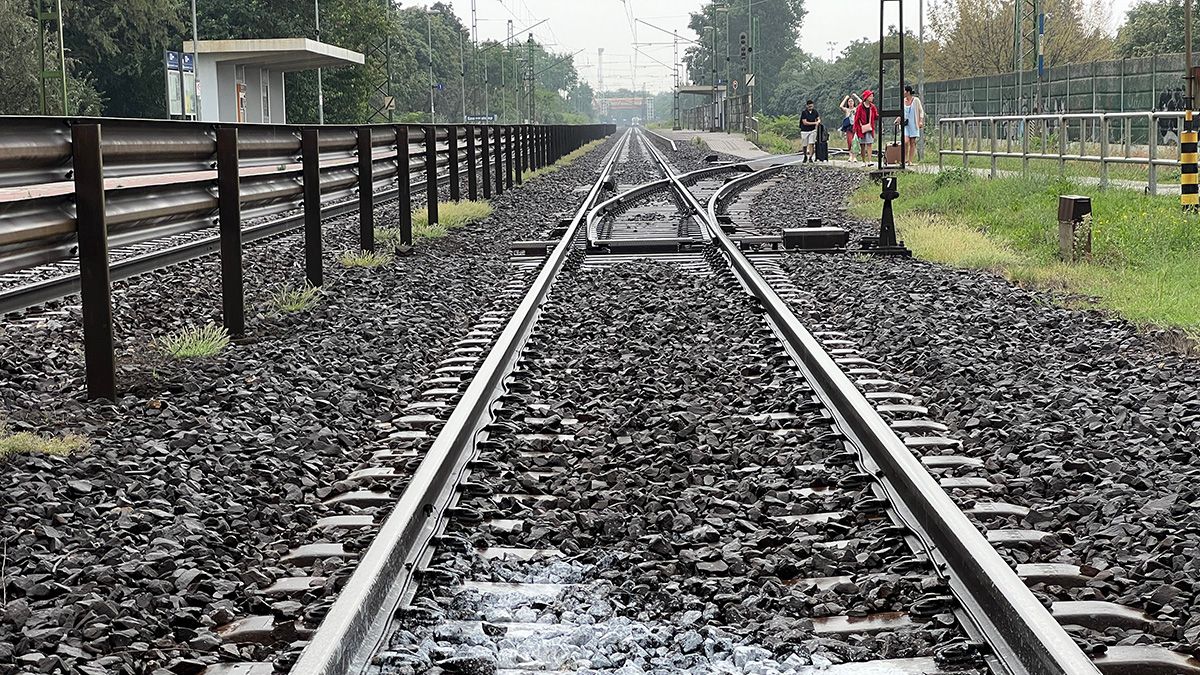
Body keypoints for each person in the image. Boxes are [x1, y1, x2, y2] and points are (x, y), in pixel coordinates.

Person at [895, 85, 925, 164]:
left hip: (913, 123)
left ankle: (910, 160)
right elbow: (901, 112)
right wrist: (898, 118)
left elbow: (921, 111)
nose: (903, 93)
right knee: (905, 141)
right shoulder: (903, 101)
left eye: (904, 91)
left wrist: (920, 121)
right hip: (905, 124)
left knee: (912, 142)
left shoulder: (916, 100)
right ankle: (904, 158)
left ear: (908, 92)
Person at [853, 89, 879, 166]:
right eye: (870, 96)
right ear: (866, 97)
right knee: (862, 145)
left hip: (870, 128)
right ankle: (864, 161)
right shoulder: (860, 107)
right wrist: (856, 129)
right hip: (861, 128)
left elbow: (875, 116)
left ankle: (870, 160)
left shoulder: (872, 107)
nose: (872, 97)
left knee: (869, 143)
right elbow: (856, 119)